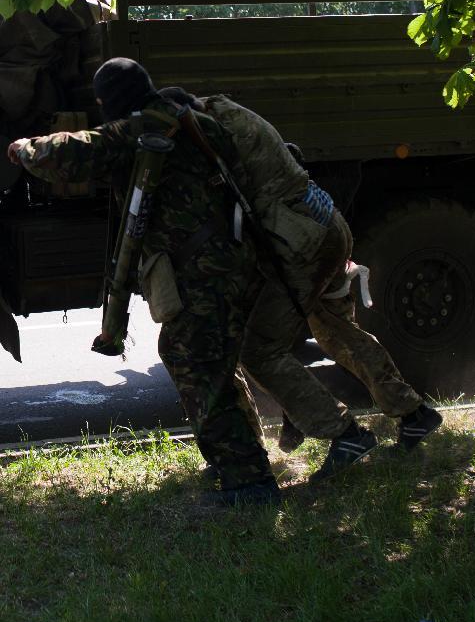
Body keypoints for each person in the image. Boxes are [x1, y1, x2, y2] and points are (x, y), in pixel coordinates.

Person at [7, 59, 277, 507]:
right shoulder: (197, 122)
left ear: (112, 99)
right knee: (209, 363)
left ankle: (249, 482)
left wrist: (23, 148)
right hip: (234, 260)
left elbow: (73, 153)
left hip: (200, 272)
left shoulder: (141, 130)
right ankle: (242, 460)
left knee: (195, 364)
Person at [159, 87, 443, 481]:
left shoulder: (214, 134)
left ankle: (344, 433)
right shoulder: (229, 116)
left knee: (258, 349)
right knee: (335, 332)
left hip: (302, 247)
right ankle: (413, 413)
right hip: (322, 234)